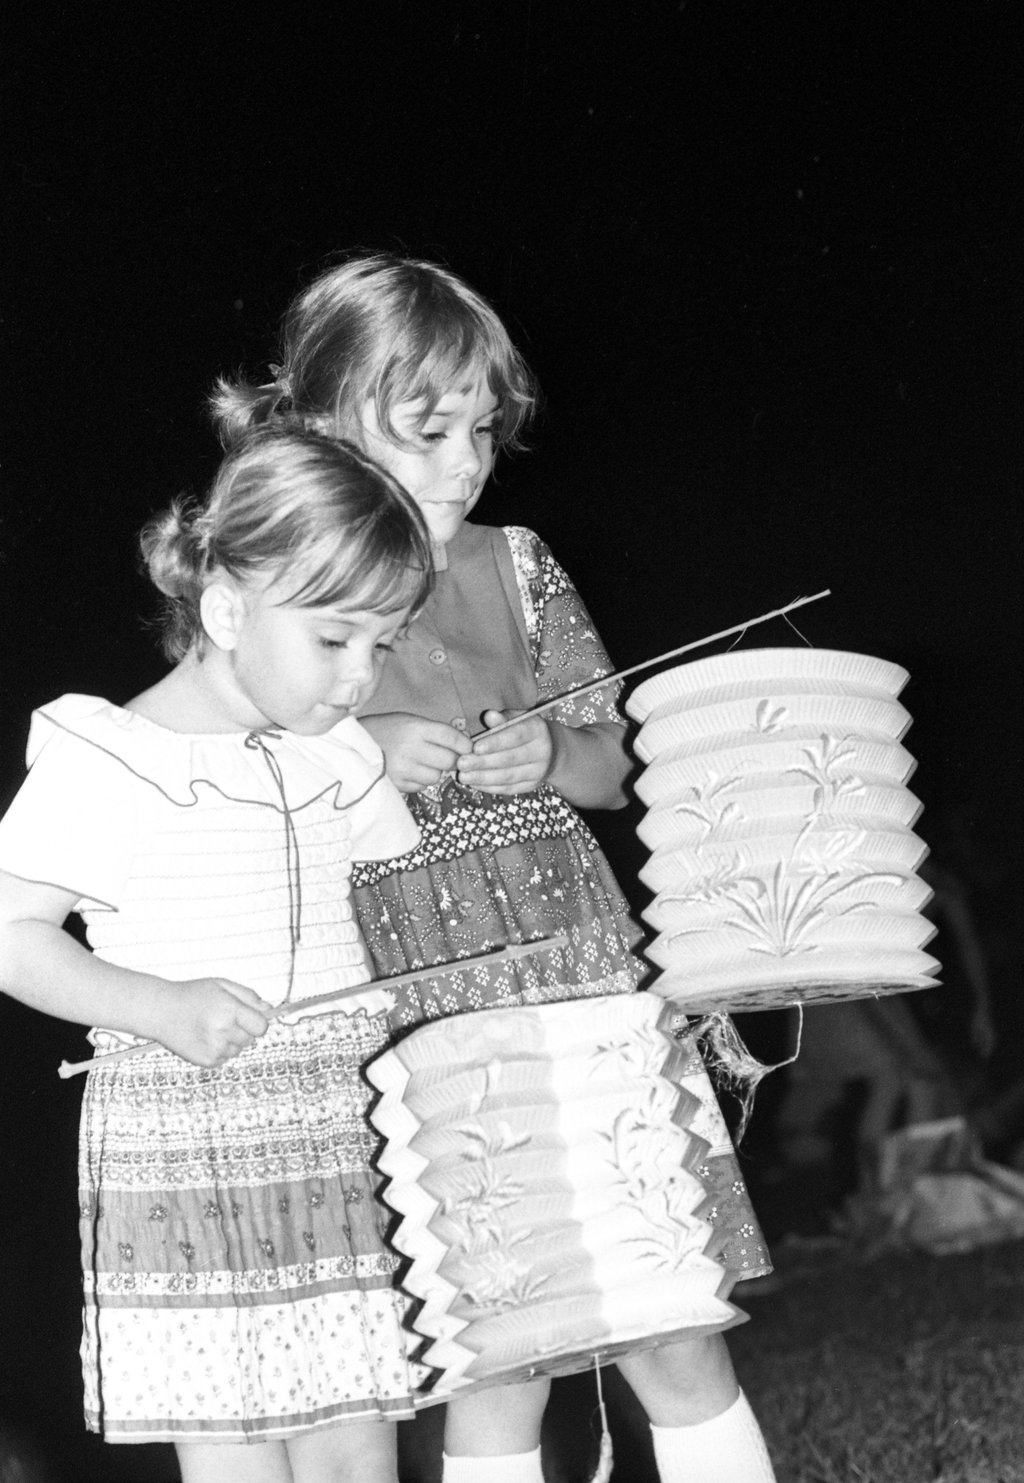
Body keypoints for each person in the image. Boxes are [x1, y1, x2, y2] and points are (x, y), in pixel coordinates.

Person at [213, 254, 776, 1483]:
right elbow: (232, 777)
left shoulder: (519, 562)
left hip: (571, 951)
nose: (464, 463)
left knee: (663, 1290)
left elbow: (618, 762)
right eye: (427, 432)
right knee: (496, 1330)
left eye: (481, 430)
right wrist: (360, 751)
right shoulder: (276, 594)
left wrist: (551, 752)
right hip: (405, 983)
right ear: (321, 425)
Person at [0, 428, 436, 1483]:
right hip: (186, 1143)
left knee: (352, 1431)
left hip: (331, 1129)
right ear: (229, 610)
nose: (360, 675)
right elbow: (11, 935)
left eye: (382, 643)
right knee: (237, 1450)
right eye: (335, 640)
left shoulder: (340, 754)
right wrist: (156, 1004)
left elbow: (395, 894)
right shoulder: (112, 756)